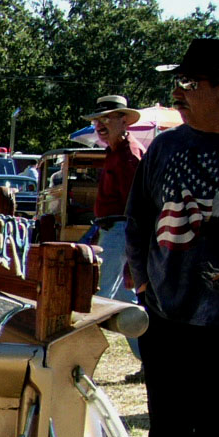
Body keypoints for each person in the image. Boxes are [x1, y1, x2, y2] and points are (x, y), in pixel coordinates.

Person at [124, 38, 219, 437]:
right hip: (167, 311)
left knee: (218, 423)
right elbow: (139, 217)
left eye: (190, 84)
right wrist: (143, 279)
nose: (178, 92)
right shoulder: (166, 148)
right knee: (169, 421)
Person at [81, 96, 146, 357]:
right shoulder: (116, 152)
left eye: (106, 118)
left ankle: (78, 360)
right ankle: (147, 359)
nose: (100, 124)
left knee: (98, 298)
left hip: (121, 231)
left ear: (123, 120)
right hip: (113, 230)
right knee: (123, 302)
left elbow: (137, 207)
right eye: (97, 120)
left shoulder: (129, 155)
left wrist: (133, 250)